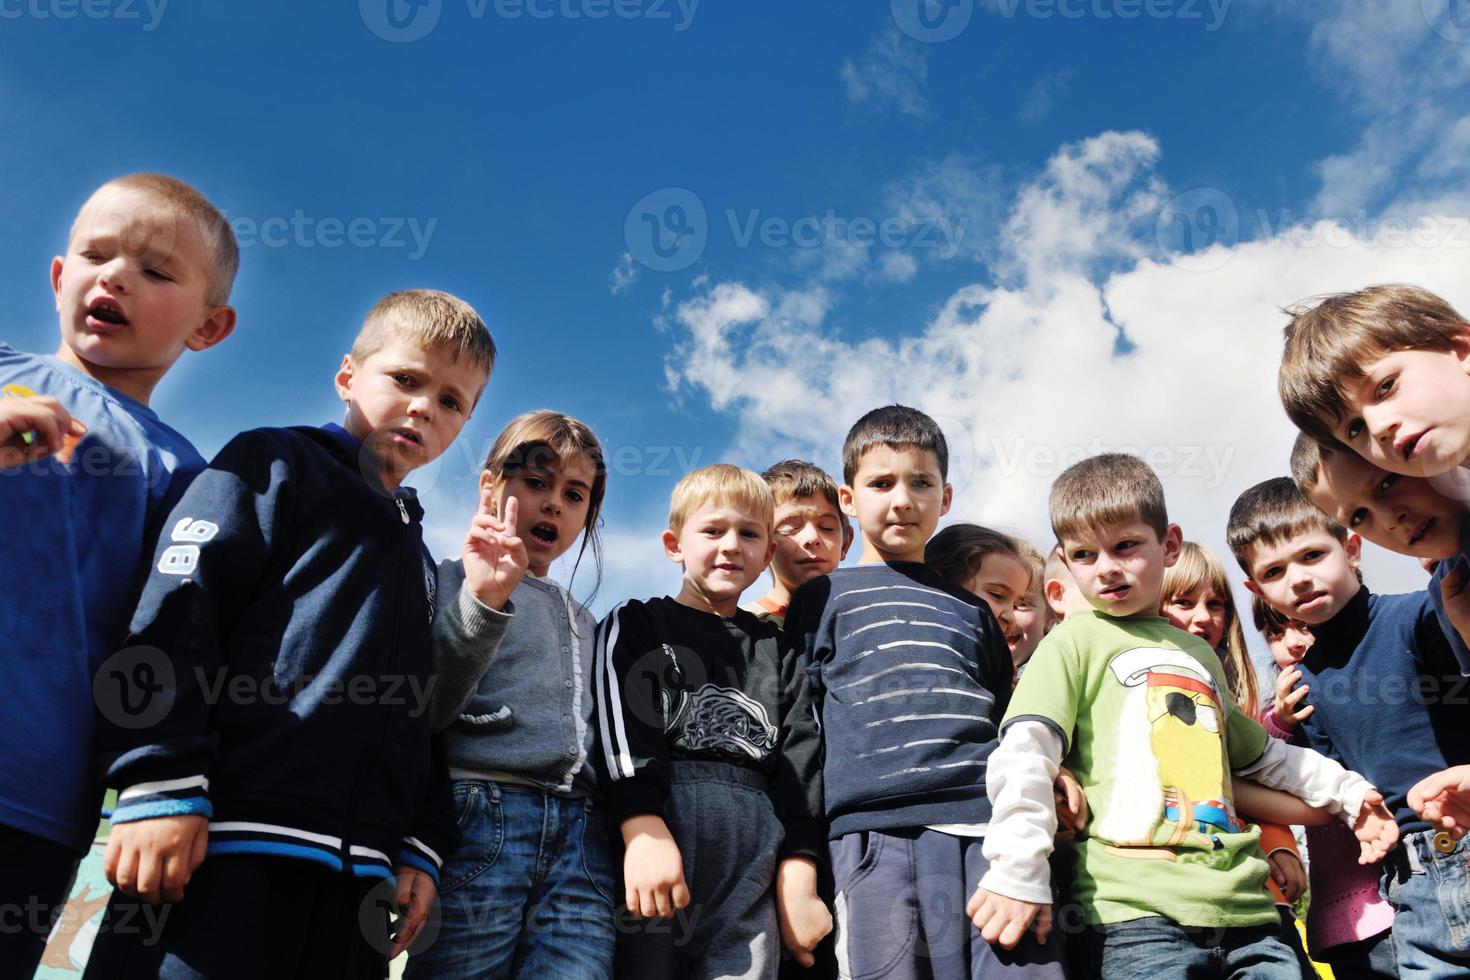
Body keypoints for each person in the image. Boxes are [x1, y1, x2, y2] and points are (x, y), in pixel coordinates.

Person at [84, 289, 517, 978]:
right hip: (219, 844)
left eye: (451, 402)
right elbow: (177, 612)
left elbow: (420, 711)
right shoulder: (271, 463)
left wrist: (419, 844)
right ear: (348, 375)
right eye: (406, 379)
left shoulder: (423, 557)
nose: (423, 408)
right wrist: (160, 775)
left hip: (359, 887)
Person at [973, 454, 1397, 979]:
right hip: (1134, 915)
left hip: (1249, 912)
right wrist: (1018, 871)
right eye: (1085, 554)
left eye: (1126, 545)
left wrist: (1350, 793)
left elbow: (1263, 756)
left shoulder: (1198, 656)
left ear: (1169, 544)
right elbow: (1025, 752)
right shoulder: (1071, 644)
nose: (1107, 566)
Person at [0, 173, 237, 978]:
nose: (115, 277)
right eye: (96, 255)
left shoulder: (186, 473)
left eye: (156, 271)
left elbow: (171, 640)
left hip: (33, 801)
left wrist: (165, 785)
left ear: (208, 326)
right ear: (61, 277)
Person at [786, 405, 1067, 979]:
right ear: (847, 498)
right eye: (881, 483)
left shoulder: (971, 611)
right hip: (873, 838)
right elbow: (802, 735)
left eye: (921, 482)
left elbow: (1003, 714)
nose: (902, 499)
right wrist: (802, 864)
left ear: (946, 497)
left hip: (989, 833)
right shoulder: (820, 601)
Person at [596, 463, 829, 979]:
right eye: (712, 530)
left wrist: (799, 869)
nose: (730, 546)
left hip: (753, 849)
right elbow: (619, 724)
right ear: (673, 543)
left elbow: (802, 760)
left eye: (749, 534)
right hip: (662, 826)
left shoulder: (780, 650)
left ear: (767, 554)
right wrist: (642, 827)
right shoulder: (636, 623)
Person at [1229, 476, 1470, 974]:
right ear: (1257, 590)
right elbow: (1335, 778)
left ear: (1351, 548)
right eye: (1275, 571)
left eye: (1312, 556)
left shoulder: (1422, 615)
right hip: (1409, 878)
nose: (1297, 578)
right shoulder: (1304, 687)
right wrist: (1362, 815)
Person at [407, 410, 614, 979]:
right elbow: (427, 705)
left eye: (574, 495)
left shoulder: (589, 622)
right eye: (536, 483)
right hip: (481, 818)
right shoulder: (447, 581)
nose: (553, 504)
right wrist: (485, 601)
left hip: (581, 839)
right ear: (491, 486)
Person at [742, 459, 851, 627]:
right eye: (790, 527)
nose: (812, 538)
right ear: (762, 545)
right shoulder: (740, 631)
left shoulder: (860, 622)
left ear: (845, 544)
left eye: (826, 527)